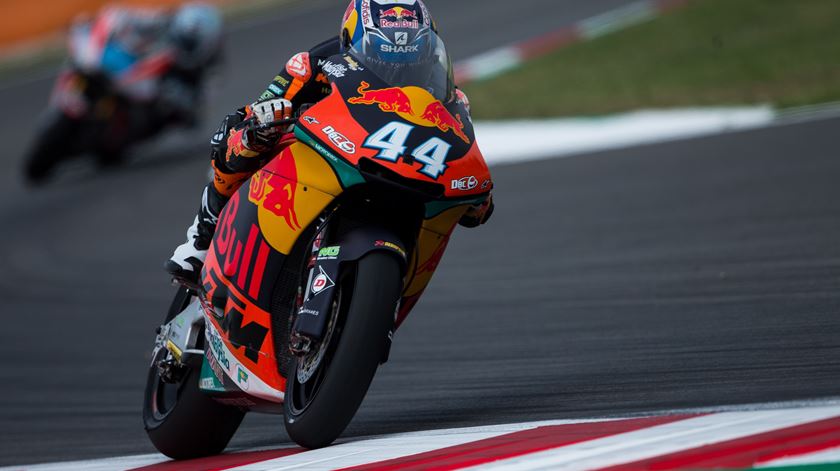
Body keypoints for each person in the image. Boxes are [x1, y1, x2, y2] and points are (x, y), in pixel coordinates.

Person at [165, 0, 493, 283]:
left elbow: (460, 146)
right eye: (385, 60)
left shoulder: (445, 87)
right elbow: (255, 112)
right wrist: (261, 124)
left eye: (411, 61)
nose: (398, 70)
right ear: (352, 44)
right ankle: (200, 239)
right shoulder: (311, 64)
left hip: (388, 161)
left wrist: (475, 193)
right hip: (317, 150)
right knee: (241, 137)